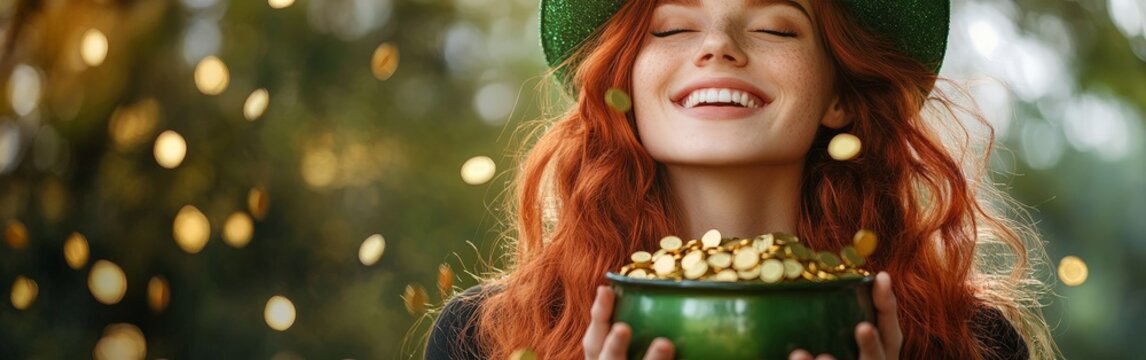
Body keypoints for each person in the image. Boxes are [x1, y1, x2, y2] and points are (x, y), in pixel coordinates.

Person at [426, 0, 1056, 359]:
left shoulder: (973, 344)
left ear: (837, 93)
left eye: (774, 26)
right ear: (623, 85)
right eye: (672, 26)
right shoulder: (484, 338)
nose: (719, 47)